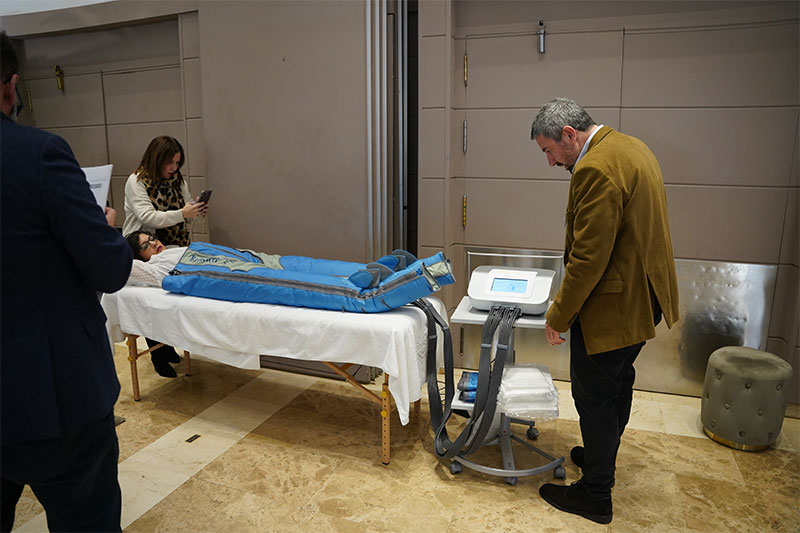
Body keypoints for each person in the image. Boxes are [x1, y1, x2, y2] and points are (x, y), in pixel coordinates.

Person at [0, 31, 132, 532]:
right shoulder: (38, 154)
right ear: (11, 86)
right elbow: (109, 269)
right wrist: (107, 230)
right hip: (52, 393)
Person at [530, 98, 679, 524]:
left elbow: (588, 257)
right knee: (617, 383)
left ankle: (596, 494)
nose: (550, 162)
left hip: (613, 308)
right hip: (642, 300)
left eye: (549, 151)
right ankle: (601, 457)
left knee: (594, 396)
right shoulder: (632, 147)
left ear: (569, 135)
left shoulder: (595, 168)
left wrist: (559, 314)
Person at [122, 135, 208, 246]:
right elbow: (148, 217)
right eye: (170, 162)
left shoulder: (178, 182)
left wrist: (196, 210)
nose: (174, 168)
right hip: (143, 247)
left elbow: (186, 217)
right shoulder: (137, 181)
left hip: (175, 246)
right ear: (157, 160)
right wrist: (182, 213)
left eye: (177, 163)